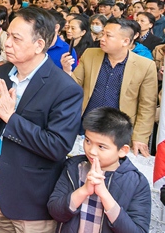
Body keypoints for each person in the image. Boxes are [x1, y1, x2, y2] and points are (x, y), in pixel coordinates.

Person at [0, 7, 83, 232]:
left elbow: (57, 146)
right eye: (8, 35)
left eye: (16, 38)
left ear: (39, 45)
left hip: (31, 202)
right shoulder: (2, 73)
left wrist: (10, 117)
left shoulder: (65, 88)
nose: (7, 43)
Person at [61, 17, 158, 157]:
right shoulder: (90, 54)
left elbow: (147, 106)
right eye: (103, 33)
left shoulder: (145, 66)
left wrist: (140, 137)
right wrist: (67, 72)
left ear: (125, 41)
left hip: (118, 131)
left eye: (108, 35)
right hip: (85, 125)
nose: (102, 38)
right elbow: (74, 87)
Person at [48, 107, 151, 233]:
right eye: (87, 141)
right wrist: (84, 191)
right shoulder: (73, 167)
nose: (91, 150)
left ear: (122, 150)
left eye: (101, 146)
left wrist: (104, 194)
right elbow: (55, 212)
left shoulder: (137, 182)